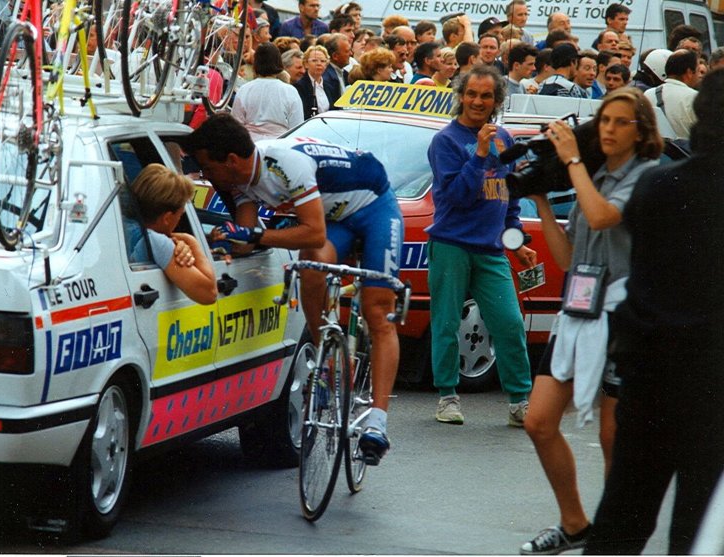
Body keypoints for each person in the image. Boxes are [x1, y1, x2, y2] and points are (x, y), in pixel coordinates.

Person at [186, 114, 404, 465]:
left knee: (379, 311)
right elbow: (248, 237)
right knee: (312, 264)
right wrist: (227, 239)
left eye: (207, 167)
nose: (205, 175)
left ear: (231, 161)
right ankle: (327, 356)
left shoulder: (286, 164)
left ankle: (378, 420)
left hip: (372, 206)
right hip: (334, 217)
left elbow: (312, 231)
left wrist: (256, 235)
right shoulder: (238, 179)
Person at [583, 67, 724, 557]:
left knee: (622, 516)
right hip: (712, 391)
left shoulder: (659, 187)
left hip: (652, 379)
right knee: (698, 529)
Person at [520, 87, 662, 556]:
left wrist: (572, 162)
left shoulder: (647, 176)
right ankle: (575, 523)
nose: (608, 128)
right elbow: (567, 258)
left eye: (620, 122)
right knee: (539, 420)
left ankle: (616, 537)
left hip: (623, 314)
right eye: (603, 120)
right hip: (579, 307)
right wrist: (539, 200)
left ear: (641, 131)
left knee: (613, 435)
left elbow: (603, 218)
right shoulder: (593, 174)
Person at [426, 65, 536, 427]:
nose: (477, 101)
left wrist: (515, 240)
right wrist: (479, 155)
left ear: (497, 100)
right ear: (460, 95)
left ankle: (520, 402)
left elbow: (510, 198)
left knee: (509, 323)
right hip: (451, 245)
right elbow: (457, 196)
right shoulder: (446, 141)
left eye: (486, 95)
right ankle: (447, 396)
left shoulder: (504, 138)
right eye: (471, 94)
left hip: (491, 251)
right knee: (446, 324)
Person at [127, 165, 218, 305]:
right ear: (167, 218)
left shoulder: (124, 226)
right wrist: (191, 240)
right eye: (181, 214)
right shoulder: (156, 242)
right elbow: (209, 294)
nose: (179, 219)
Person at [231, 43, 304, 141]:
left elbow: (236, 125)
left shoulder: (245, 89)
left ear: (256, 63)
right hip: (278, 146)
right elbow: (297, 127)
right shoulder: (289, 91)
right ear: (279, 62)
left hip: (251, 146)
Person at [644, 49, 699, 140]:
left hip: (655, 152)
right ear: (689, 72)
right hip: (687, 153)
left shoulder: (648, 94)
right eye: (697, 70)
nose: (698, 76)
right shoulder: (695, 98)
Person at [293, 45, 338, 119]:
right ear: (306, 64)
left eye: (323, 61)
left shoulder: (331, 86)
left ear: (326, 65)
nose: (319, 64)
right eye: (314, 60)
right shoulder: (299, 87)